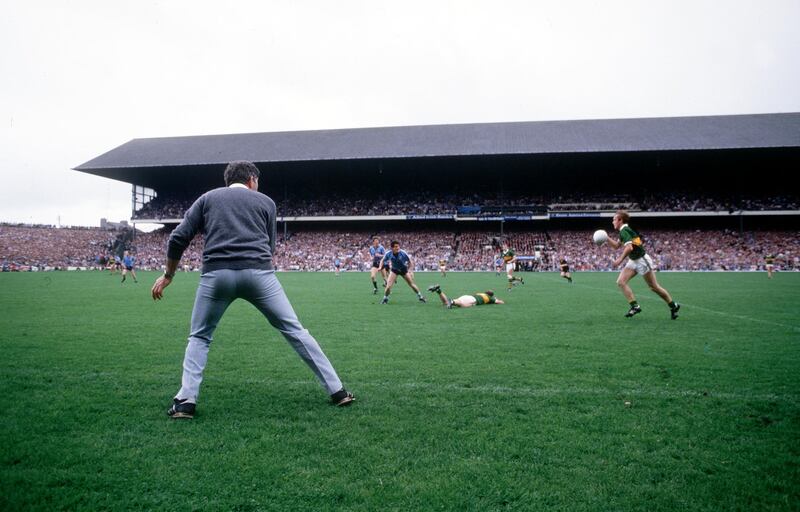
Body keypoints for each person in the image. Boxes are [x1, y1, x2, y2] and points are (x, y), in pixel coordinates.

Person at [151, 161, 354, 419]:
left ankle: (185, 402)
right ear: (250, 179)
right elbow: (270, 247)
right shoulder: (266, 203)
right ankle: (338, 390)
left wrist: (169, 275)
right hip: (259, 275)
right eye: (257, 181)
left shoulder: (207, 198)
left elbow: (178, 237)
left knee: (200, 337)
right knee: (295, 330)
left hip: (216, 275)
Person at [606, 209, 680, 319]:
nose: (612, 222)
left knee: (654, 287)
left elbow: (629, 247)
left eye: (614, 219)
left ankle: (673, 305)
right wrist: (606, 238)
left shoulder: (624, 230)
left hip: (642, 260)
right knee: (621, 282)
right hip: (634, 260)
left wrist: (619, 260)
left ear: (620, 220)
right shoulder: (624, 231)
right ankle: (635, 306)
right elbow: (617, 246)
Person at [427, 284, 505, 308]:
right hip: (471, 300)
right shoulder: (489, 298)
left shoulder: (480, 294)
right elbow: (501, 302)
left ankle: (438, 291)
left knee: (445, 303)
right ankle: (452, 302)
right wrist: (496, 299)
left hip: (467, 297)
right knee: (461, 304)